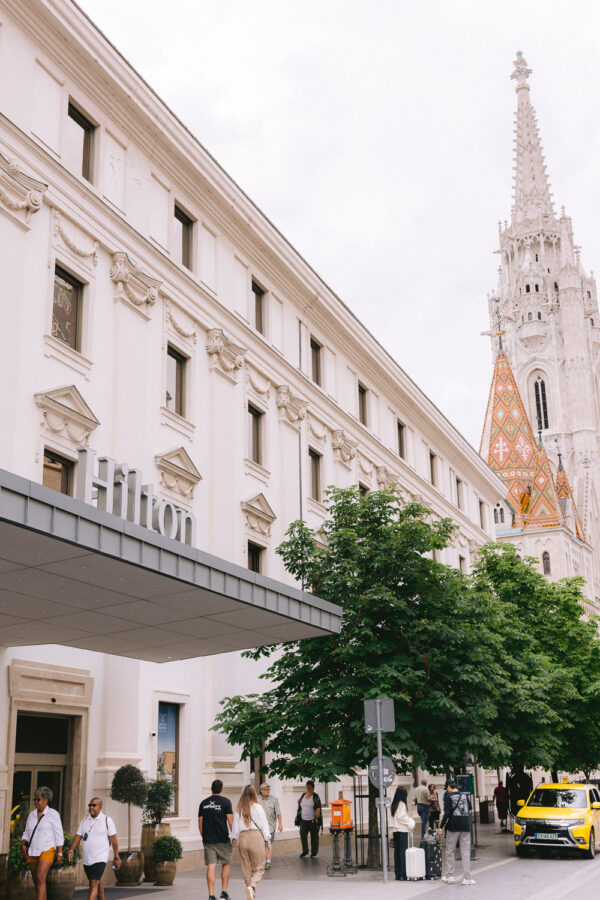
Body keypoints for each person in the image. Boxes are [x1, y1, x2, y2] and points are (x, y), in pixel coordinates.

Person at [68, 797, 120, 900]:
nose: (91, 807)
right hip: (88, 858)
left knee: (93, 883)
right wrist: (71, 850)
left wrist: (116, 857)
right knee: (96, 882)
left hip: (100, 857)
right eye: (90, 805)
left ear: (100, 807)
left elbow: (114, 840)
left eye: (94, 805)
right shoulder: (85, 820)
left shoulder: (107, 820)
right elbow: (78, 836)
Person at [21, 786, 64, 900]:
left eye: (38, 799)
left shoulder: (53, 814)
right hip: (33, 850)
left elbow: (59, 835)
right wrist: (23, 843)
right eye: (34, 799)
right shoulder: (32, 814)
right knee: (37, 881)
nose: (35, 802)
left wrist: (60, 853)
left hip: (47, 849)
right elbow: (26, 832)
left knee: (40, 877)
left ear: (46, 800)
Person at [231, 785, 270, 900]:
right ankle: (252, 887)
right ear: (254, 794)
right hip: (256, 836)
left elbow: (235, 827)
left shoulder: (239, 809)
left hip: (243, 838)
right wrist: (267, 839)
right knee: (259, 867)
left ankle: (251, 893)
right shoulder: (258, 807)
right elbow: (264, 825)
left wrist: (234, 838)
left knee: (246, 868)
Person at [198, 779, 233, 900]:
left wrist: (204, 836)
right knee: (226, 864)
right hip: (223, 839)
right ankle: (224, 892)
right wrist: (234, 837)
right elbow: (231, 822)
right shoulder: (226, 802)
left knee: (211, 866)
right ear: (222, 789)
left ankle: (211, 895)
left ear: (211, 789)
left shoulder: (203, 803)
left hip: (208, 840)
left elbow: (200, 823)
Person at [439, 780, 475, 885]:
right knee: (465, 852)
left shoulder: (449, 797)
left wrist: (441, 827)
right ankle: (467, 878)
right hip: (465, 827)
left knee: (450, 851)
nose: (447, 790)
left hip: (453, 827)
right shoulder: (464, 796)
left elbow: (447, 813)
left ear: (450, 787)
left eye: (447, 788)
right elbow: (470, 809)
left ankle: (450, 876)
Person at [390, 786, 415, 881]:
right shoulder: (402, 804)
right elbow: (401, 817)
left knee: (397, 853)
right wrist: (410, 822)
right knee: (402, 853)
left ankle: (398, 873)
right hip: (402, 830)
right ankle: (402, 874)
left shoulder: (394, 804)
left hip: (395, 831)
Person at [258, 783, 282, 869]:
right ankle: (262, 860)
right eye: (266, 789)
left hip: (270, 827)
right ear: (261, 790)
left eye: (268, 789)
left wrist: (280, 824)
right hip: (259, 827)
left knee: (268, 844)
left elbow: (278, 813)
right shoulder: (256, 799)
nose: (268, 791)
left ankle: (268, 862)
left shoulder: (274, 800)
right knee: (260, 845)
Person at [296, 780, 322, 859]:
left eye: (310, 787)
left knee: (314, 837)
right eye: (307, 787)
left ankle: (314, 853)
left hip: (312, 820)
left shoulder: (315, 796)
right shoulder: (303, 795)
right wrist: (298, 802)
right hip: (303, 820)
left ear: (313, 788)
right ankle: (305, 851)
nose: (308, 788)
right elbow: (300, 803)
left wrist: (317, 816)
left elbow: (318, 807)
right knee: (303, 834)